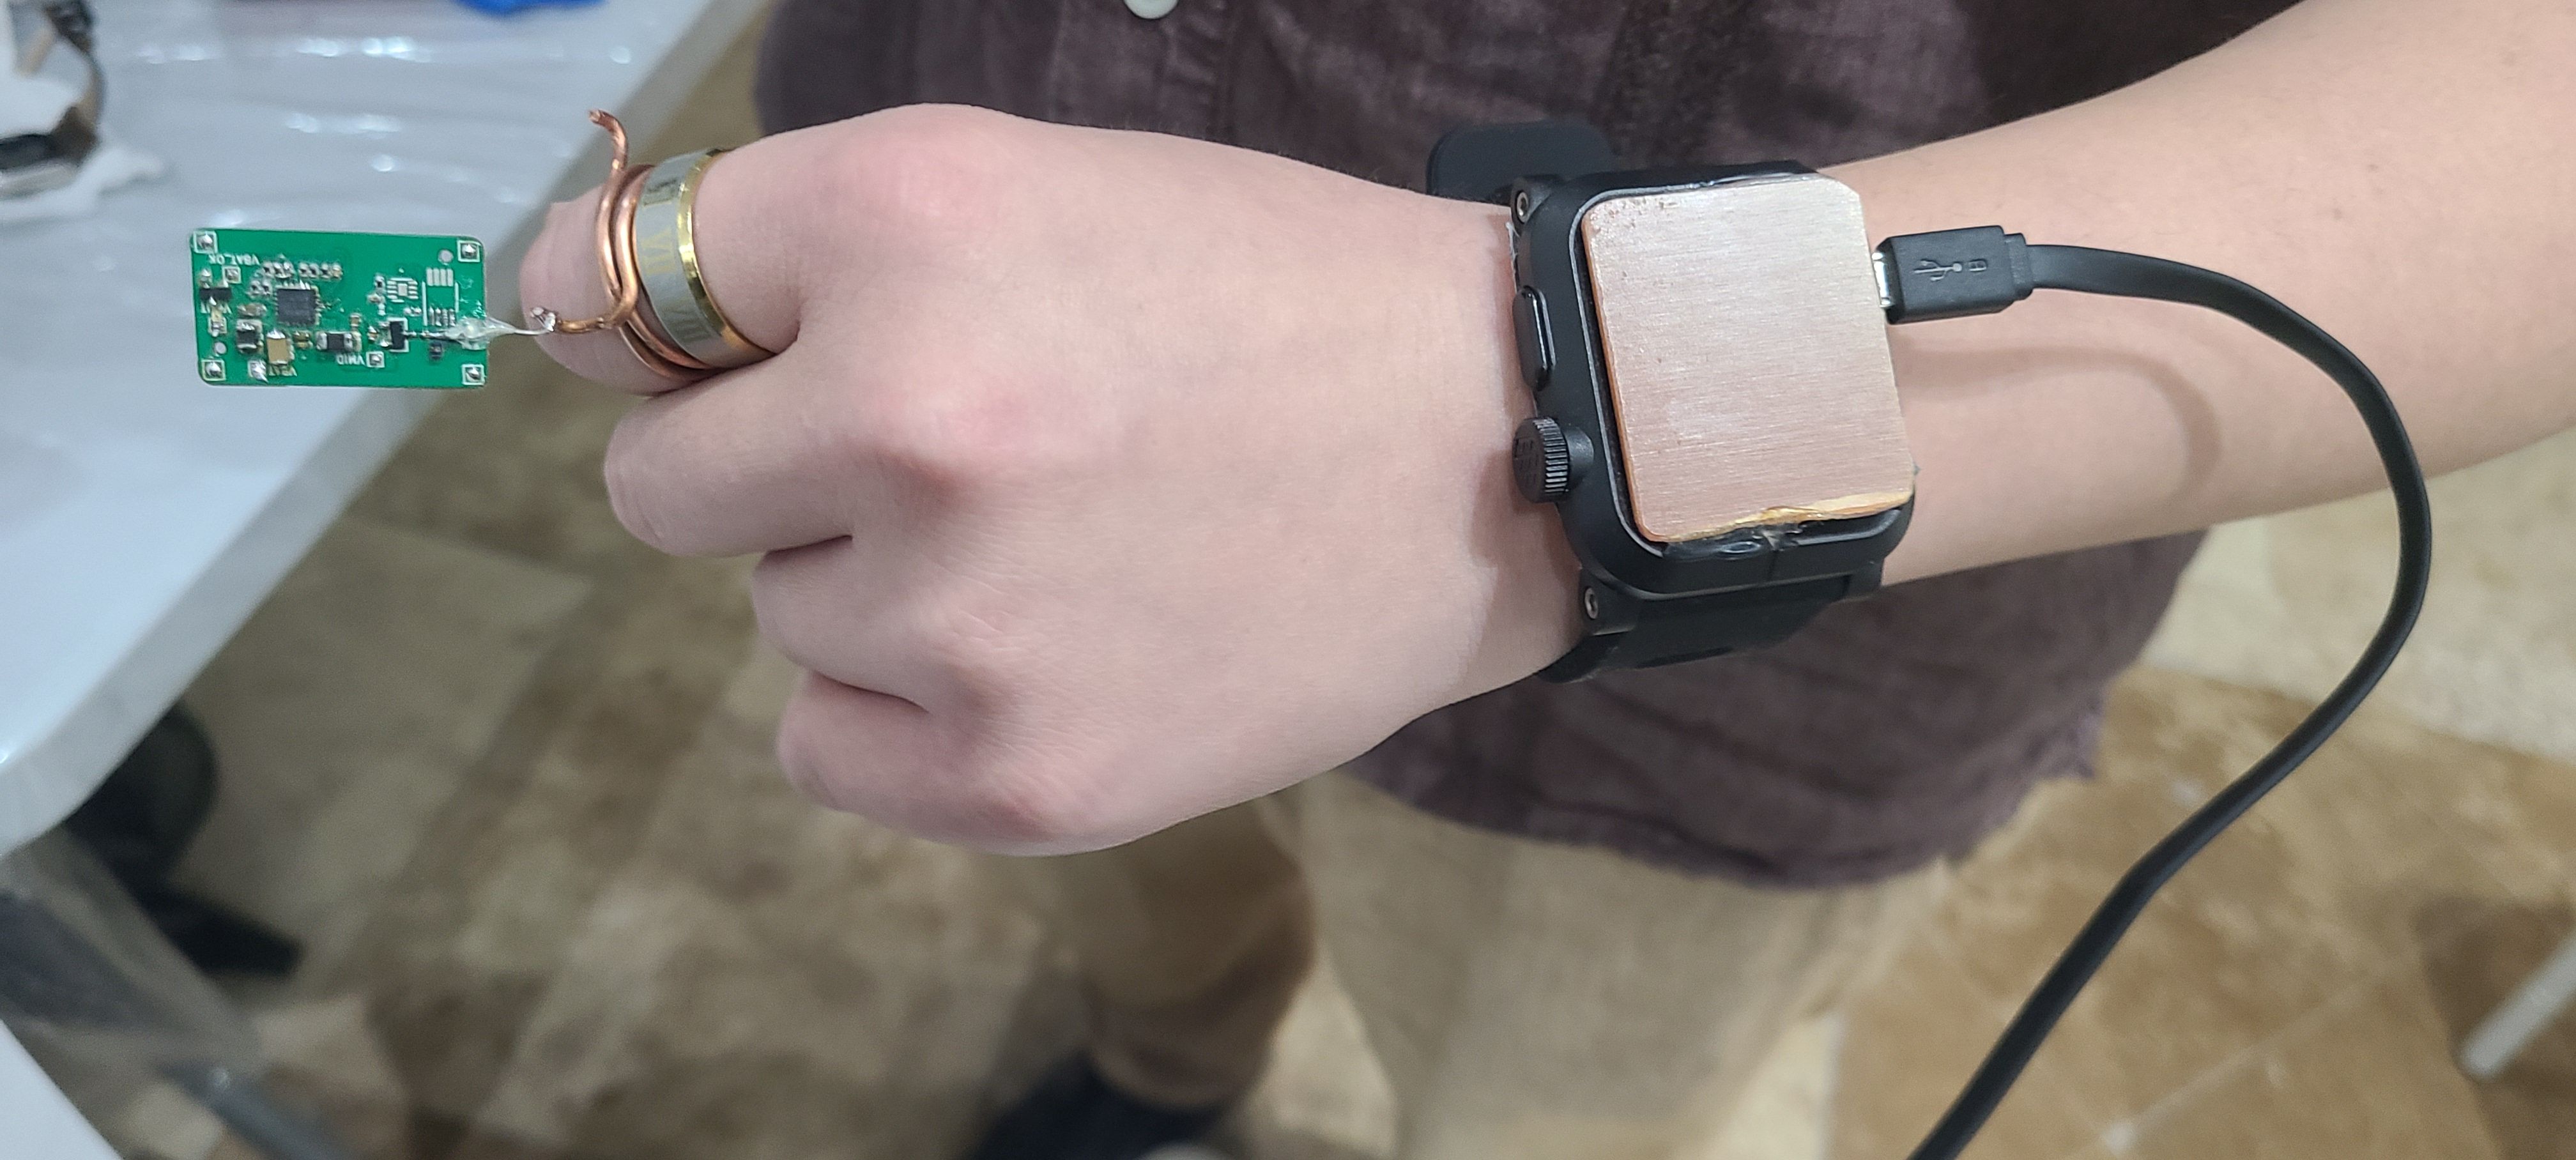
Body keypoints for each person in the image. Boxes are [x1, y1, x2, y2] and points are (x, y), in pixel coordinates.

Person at [517, 0, 2576, 1156]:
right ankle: (1164, 1075)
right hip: (957, 311)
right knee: (1120, 896)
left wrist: (1528, 387)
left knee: (1552, 1107)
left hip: (1726, 680)